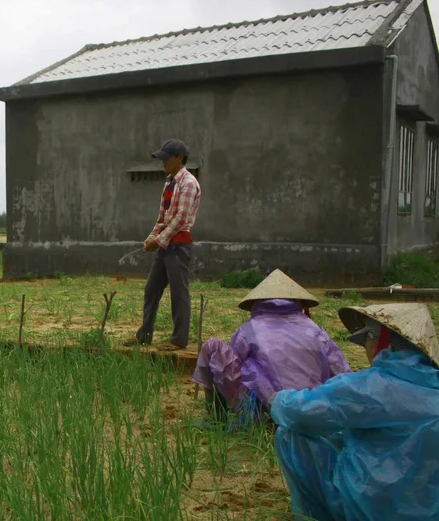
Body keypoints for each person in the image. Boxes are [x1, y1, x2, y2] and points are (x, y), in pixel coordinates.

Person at [271, 303, 439, 521]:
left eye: (367, 340)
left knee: (291, 433)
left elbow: (299, 412)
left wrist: (277, 399)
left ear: (379, 341)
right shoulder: (437, 391)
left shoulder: (373, 386)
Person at [192, 269, 350, 417]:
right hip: (312, 408)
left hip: (269, 409)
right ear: (298, 303)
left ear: (257, 303)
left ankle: (216, 416)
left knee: (214, 347)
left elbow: (232, 366)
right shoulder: (315, 330)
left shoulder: (250, 329)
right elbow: (342, 371)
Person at [125, 138, 201, 351]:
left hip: (179, 247)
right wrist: (151, 237)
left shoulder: (188, 183)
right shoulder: (170, 181)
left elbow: (180, 218)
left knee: (179, 293)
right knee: (151, 290)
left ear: (179, 158)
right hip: (166, 246)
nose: (163, 162)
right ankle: (144, 336)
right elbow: (163, 216)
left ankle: (179, 340)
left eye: (166, 158)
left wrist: (158, 240)